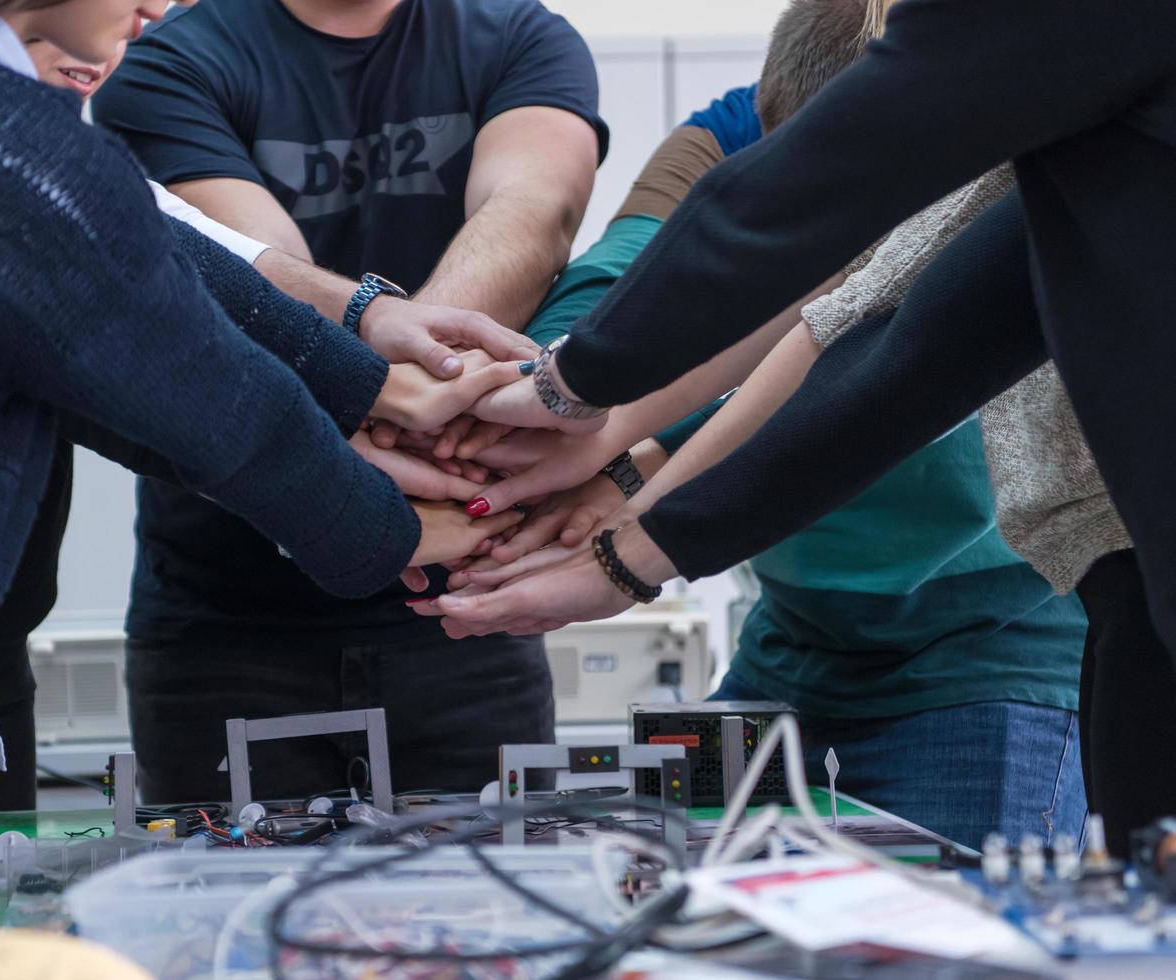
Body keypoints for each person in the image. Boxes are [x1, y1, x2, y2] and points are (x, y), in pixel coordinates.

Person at [0, 0, 528, 974]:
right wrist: (409, 532)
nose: (156, 5)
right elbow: (222, 407)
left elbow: (147, 248)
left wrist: (358, 375)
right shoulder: (1, 144)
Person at [432, 0, 1086, 849]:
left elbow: (862, 361)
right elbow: (666, 285)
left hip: (983, 656)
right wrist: (552, 405)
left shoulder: (1020, 142)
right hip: (791, 646)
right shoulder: (739, 124)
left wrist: (630, 538)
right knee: (691, 912)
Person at [90, 0, 608, 802]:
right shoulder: (165, 59)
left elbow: (535, 215)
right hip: (230, 615)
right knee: (222, 914)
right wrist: (404, 395)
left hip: (464, 603)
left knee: (491, 910)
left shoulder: (517, 35)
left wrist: (415, 374)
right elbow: (254, 279)